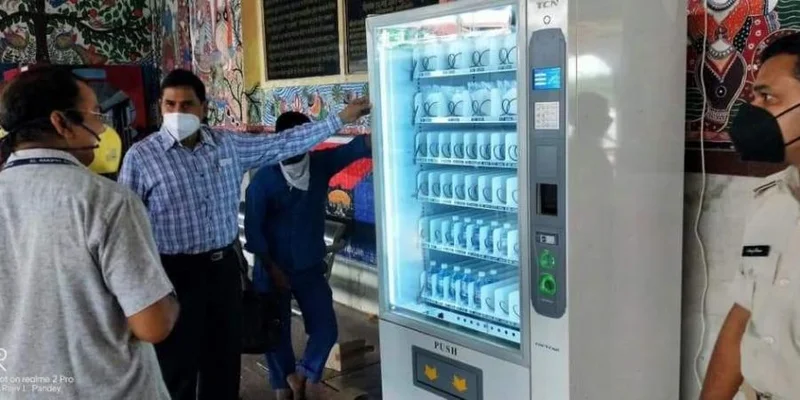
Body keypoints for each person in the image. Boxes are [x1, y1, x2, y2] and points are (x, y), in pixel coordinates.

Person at [118, 69, 371, 400]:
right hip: (173, 274)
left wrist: (341, 118)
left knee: (223, 361)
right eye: (170, 105)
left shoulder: (229, 146)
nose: (178, 113)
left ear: (203, 107)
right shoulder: (142, 157)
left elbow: (286, 142)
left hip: (223, 270)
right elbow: (126, 225)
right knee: (176, 364)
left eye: (187, 105)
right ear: (159, 108)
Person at [0, 66, 178, 399]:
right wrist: (169, 301)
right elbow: (153, 325)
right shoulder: (106, 201)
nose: (101, 127)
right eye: (96, 114)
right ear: (60, 122)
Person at [244, 112, 371, 400]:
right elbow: (253, 230)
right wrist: (271, 268)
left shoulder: (319, 165)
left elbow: (354, 148)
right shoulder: (265, 179)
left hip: (309, 267)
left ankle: (300, 375)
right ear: (282, 140)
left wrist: (377, 123)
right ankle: (283, 389)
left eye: (307, 136)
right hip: (272, 267)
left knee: (325, 327)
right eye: (296, 137)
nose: (303, 143)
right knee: (275, 332)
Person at [702, 33, 800, 400]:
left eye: (768, 98)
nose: (753, 111)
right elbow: (743, 316)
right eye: (753, 97)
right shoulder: (769, 202)